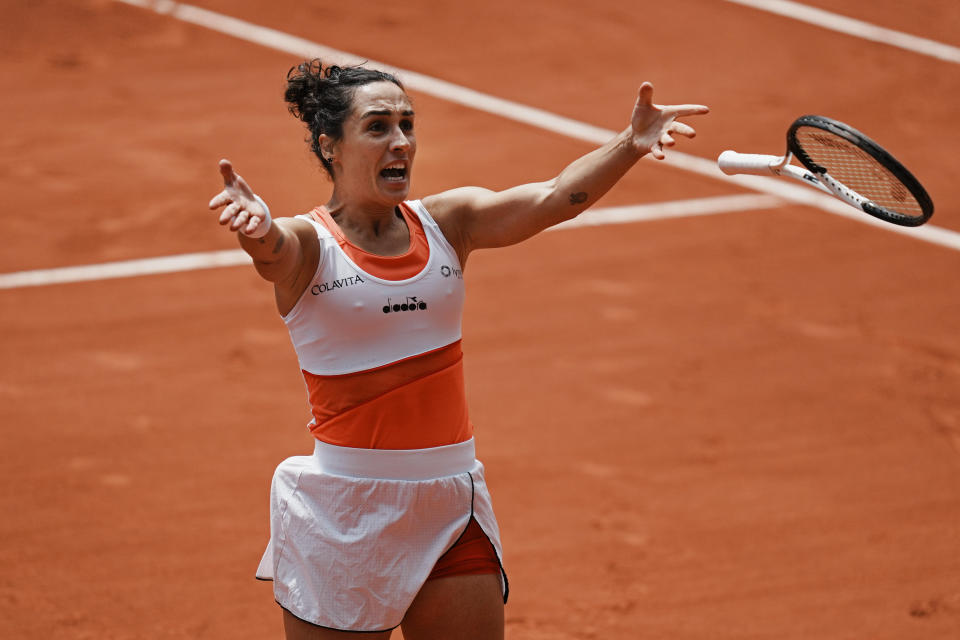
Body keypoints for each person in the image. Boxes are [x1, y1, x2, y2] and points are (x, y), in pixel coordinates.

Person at [208, 58, 708, 640]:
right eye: (377, 126)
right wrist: (257, 228)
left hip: (450, 503)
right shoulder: (310, 244)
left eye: (407, 124)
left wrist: (630, 144)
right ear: (331, 146)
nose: (400, 141)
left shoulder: (449, 222)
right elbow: (273, 250)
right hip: (344, 509)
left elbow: (553, 198)